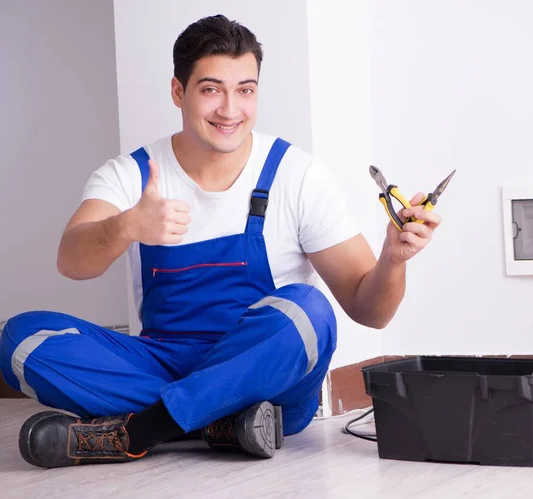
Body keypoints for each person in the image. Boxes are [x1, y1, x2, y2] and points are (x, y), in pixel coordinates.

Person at [0, 14, 442, 469]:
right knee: (20, 337)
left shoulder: (296, 174)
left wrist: (393, 258)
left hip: (266, 377)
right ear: (179, 92)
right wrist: (127, 225)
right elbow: (71, 260)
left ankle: (141, 430)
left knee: (310, 311)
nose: (230, 110)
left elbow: (371, 311)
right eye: (212, 89)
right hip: (165, 363)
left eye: (245, 90)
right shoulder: (131, 174)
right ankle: (220, 423)